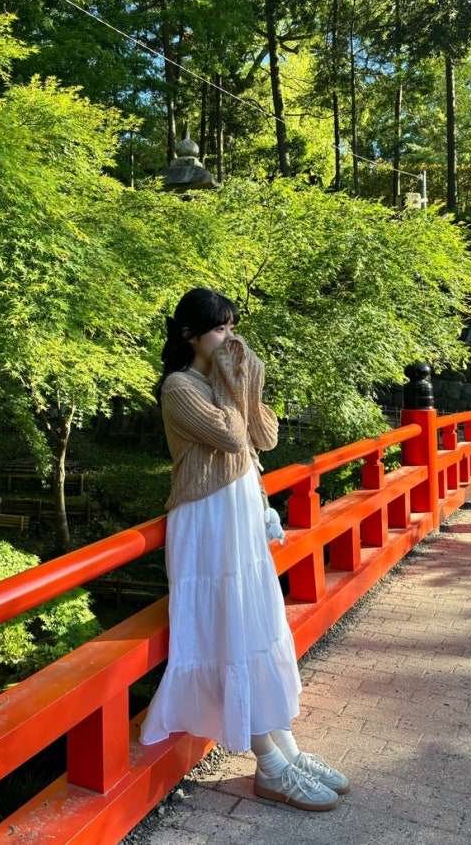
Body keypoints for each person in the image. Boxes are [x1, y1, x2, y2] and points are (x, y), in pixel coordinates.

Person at [139, 288, 349, 812]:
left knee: (256, 630)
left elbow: (266, 435)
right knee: (230, 634)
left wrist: (246, 386)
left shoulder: (222, 382)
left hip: (240, 517)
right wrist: (237, 384)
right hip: (207, 522)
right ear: (190, 335)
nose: (231, 339)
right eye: (220, 329)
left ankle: (287, 751)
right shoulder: (179, 387)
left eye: (233, 327)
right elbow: (233, 437)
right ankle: (270, 764)